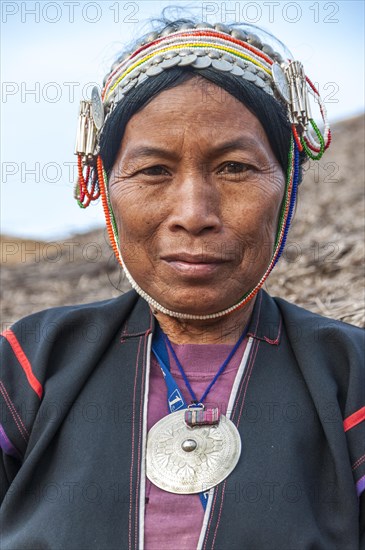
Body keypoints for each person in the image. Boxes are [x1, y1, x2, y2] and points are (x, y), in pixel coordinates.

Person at [1, 17, 364, 550]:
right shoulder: (29, 365)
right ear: (105, 186)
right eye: (152, 171)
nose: (194, 214)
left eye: (236, 167)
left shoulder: (349, 374)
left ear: (286, 188)